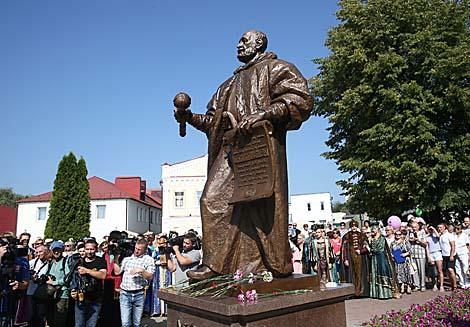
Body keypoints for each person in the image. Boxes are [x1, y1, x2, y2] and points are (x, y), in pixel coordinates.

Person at [174, 30, 312, 280]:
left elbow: (300, 100)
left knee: (263, 206)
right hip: (231, 150)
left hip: (262, 149)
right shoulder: (227, 85)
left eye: (243, 40)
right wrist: (189, 117)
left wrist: (265, 114)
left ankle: (271, 266)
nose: (238, 45)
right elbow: (212, 123)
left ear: (259, 43)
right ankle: (214, 265)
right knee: (211, 199)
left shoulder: (278, 68)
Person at [112, 239, 154, 327]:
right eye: (135, 248)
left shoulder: (148, 259)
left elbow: (150, 276)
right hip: (125, 293)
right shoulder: (127, 258)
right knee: (125, 323)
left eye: (139, 249)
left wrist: (141, 271)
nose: (136, 251)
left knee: (136, 323)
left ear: (145, 250)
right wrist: (116, 258)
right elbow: (117, 272)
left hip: (139, 293)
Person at [70, 239, 107, 327]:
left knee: (91, 324)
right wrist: (73, 290)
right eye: (87, 249)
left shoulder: (100, 261)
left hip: (95, 298)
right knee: (79, 324)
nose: (89, 252)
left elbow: (103, 275)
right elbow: (74, 278)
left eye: (92, 249)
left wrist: (87, 271)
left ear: (96, 249)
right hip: (81, 298)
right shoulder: (79, 261)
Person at [0, 236, 30, 327]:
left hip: (10, 304)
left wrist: (18, 284)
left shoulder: (22, 261)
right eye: (2, 244)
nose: (5, 247)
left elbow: (25, 284)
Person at [368, 224, 398, 299]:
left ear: (377, 230)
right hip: (374, 259)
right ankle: (376, 293)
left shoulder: (382, 238)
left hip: (381, 258)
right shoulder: (372, 238)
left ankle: (385, 294)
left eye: (373, 230)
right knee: (375, 274)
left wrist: (369, 248)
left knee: (383, 272)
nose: (372, 231)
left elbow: (378, 249)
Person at [340, 220, 370, 297]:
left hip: (361, 257)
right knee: (351, 274)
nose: (354, 227)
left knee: (360, 273)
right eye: (352, 226)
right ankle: (352, 292)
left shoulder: (362, 235)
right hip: (350, 257)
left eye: (355, 226)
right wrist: (345, 259)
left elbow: (367, 247)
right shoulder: (346, 236)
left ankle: (361, 292)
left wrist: (361, 251)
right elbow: (344, 249)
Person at [44, 241, 70, 327]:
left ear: (62, 250)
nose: (56, 252)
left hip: (62, 294)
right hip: (51, 294)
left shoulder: (65, 261)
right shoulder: (51, 262)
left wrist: (55, 282)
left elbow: (68, 278)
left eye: (58, 250)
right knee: (50, 318)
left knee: (59, 320)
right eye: (54, 250)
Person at [27, 244, 50, 327]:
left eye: (40, 252)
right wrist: (31, 276)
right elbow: (26, 270)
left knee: (41, 317)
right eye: (36, 252)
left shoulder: (50, 263)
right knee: (31, 316)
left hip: (42, 293)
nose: (38, 254)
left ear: (46, 252)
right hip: (31, 291)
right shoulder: (33, 262)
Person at [391, 230, 413, 294]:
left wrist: (405, 254)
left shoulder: (405, 242)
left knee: (407, 273)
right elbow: (390, 251)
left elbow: (411, 251)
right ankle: (402, 286)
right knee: (399, 274)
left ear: (401, 235)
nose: (398, 235)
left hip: (405, 260)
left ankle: (409, 287)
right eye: (396, 234)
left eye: (399, 234)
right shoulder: (393, 243)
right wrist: (392, 255)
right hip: (397, 260)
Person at [437, 223, 457, 290]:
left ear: (444, 228)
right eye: (438, 227)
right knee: (448, 272)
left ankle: (455, 286)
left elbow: (453, 246)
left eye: (441, 227)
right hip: (444, 255)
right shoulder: (441, 236)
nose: (439, 229)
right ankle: (452, 286)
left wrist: (451, 255)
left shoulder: (449, 235)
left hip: (451, 255)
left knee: (450, 270)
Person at [409, 222, 427, 291]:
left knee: (421, 270)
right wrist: (410, 240)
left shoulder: (422, 232)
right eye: (413, 227)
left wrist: (418, 240)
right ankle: (416, 285)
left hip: (420, 254)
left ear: (418, 227)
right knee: (414, 270)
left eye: (415, 227)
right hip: (413, 254)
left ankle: (422, 285)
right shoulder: (410, 233)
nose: (414, 228)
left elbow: (425, 244)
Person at [426, 225, 444, 292]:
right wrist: (428, 256)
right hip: (431, 253)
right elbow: (427, 247)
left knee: (440, 270)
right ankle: (435, 285)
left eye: (431, 229)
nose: (430, 230)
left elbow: (438, 236)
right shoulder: (427, 237)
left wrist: (433, 229)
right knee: (433, 271)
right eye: (429, 229)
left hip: (438, 253)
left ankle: (441, 285)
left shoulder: (436, 234)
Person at [454, 224, 469, 289]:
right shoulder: (454, 236)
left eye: (458, 228)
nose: (456, 230)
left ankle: (467, 283)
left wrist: (469, 254)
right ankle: (462, 283)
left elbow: (468, 245)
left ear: (461, 229)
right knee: (458, 269)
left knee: (465, 268)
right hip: (456, 253)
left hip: (463, 252)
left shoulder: (464, 236)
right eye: (456, 228)